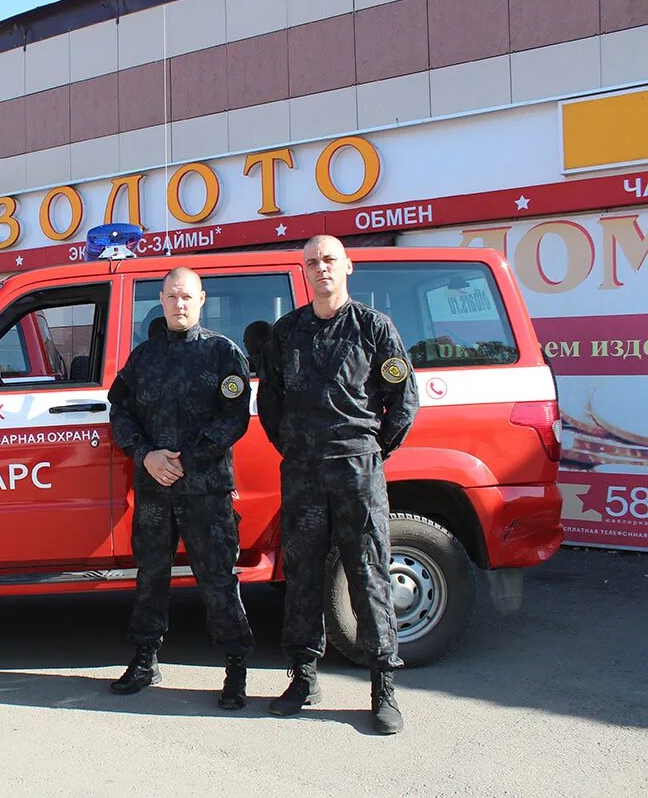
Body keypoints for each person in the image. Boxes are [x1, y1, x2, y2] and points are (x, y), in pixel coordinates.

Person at [257, 235, 420, 735]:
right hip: (303, 472)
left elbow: (404, 400)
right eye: (311, 262)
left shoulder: (374, 328)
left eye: (329, 259)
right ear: (304, 272)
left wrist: (370, 451)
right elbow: (271, 406)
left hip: (357, 471)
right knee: (302, 576)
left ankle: (383, 687)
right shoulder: (286, 333)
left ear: (347, 266)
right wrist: (296, 449)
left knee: (367, 572)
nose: (321, 268)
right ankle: (303, 678)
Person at [107, 267, 255, 709]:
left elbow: (233, 418)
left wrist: (187, 461)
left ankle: (235, 667)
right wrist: (145, 454)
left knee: (218, 579)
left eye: (187, 296)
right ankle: (144, 658)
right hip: (154, 489)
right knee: (151, 576)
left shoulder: (223, 354)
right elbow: (120, 410)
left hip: (206, 490)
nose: (179, 303)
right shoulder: (144, 357)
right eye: (172, 296)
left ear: (201, 299)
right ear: (161, 299)